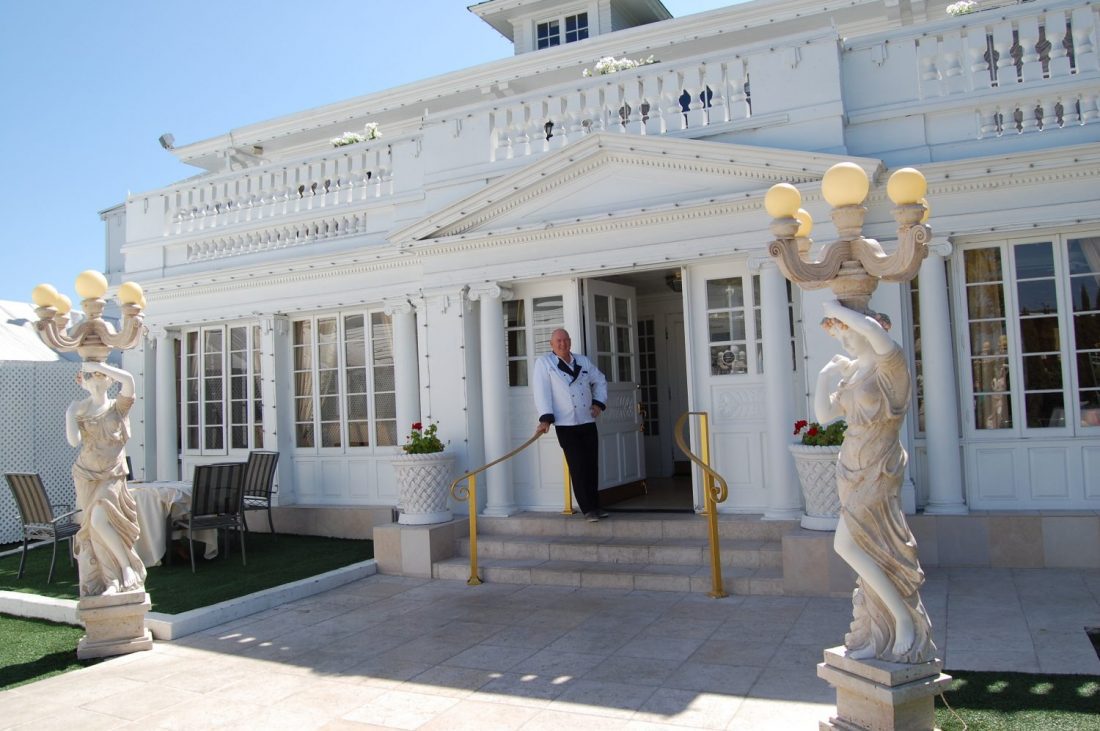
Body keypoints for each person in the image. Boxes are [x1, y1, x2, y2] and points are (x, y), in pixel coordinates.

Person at [815, 300, 936, 664]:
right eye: (838, 334)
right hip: (850, 466)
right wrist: (825, 377)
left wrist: (834, 304)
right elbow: (823, 417)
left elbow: (870, 332)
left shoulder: (891, 367)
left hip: (879, 468)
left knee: (849, 545)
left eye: (847, 331)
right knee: (866, 548)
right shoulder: (852, 374)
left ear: (871, 328)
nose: (844, 340)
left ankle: (903, 619)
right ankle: (878, 630)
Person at [65, 360, 146, 596]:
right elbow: (73, 441)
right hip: (86, 475)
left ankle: (126, 567)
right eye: (89, 376)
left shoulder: (117, 407)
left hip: (112, 475)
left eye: (100, 375)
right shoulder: (79, 409)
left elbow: (129, 381)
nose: (95, 379)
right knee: (95, 528)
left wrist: (97, 364)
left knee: (100, 520)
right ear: (81, 382)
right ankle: (111, 581)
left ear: (110, 379)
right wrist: (70, 413)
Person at [534, 328, 609, 522]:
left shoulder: (582, 361)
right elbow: (541, 392)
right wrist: (545, 418)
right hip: (566, 423)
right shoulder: (545, 363)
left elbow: (600, 380)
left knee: (592, 465)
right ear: (551, 344)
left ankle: (596, 505)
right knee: (578, 466)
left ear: (570, 341)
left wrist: (598, 403)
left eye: (565, 340)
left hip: (587, 420)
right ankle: (587, 509)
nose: (562, 344)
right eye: (558, 341)